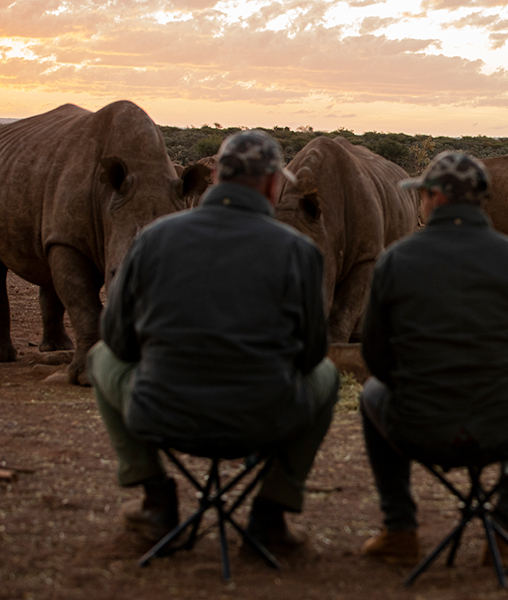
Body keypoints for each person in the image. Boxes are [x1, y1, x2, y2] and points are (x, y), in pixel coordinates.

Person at [87, 130, 339, 551]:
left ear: (215, 177)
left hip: (163, 414)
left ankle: (154, 498)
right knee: (327, 375)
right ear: (274, 184)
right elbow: (313, 353)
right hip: (264, 419)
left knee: (100, 357)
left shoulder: (154, 238)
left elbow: (117, 339)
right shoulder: (299, 251)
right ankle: (271, 515)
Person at [358, 151, 508, 566]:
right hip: (501, 427)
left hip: (417, 427)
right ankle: (505, 529)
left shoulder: (395, 260)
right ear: (480, 200)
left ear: (432, 197)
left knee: (372, 393)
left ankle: (400, 529)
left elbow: (376, 359)